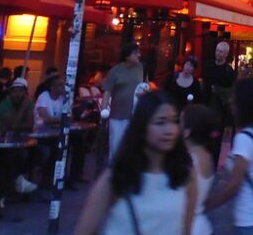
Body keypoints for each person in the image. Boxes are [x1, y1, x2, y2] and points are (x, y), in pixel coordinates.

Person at [74, 91, 195, 235]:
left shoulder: (185, 175)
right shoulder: (117, 177)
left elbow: (186, 229)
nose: (169, 130)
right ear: (142, 126)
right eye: (160, 122)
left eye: (175, 121)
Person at [206, 77, 253, 234]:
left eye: (235, 96)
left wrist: (207, 205)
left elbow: (234, 185)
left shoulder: (244, 139)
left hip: (249, 220)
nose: (231, 100)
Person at [103, 42, 146, 162]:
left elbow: (146, 87)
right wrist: (104, 109)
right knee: (116, 147)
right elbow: (107, 92)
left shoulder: (142, 68)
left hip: (136, 115)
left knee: (134, 148)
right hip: (118, 115)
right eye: (135, 53)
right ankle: (114, 173)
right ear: (127, 56)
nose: (139, 55)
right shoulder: (115, 71)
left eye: (139, 52)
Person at [182, 105, 219, 235]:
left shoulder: (188, 160)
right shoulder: (207, 156)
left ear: (187, 131)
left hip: (188, 226)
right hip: (202, 226)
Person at [206, 41, 237, 159]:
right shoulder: (209, 65)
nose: (217, 54)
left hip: (219, 110)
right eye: (217, 51)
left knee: (215, 140)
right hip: (207, 105)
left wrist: (218, 91)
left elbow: (231, 92)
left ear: (226, 54)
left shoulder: (228, 71)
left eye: (220, 52)